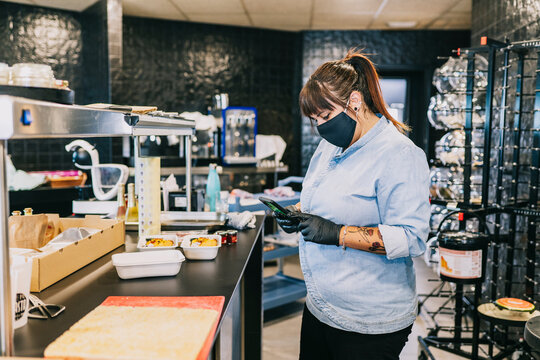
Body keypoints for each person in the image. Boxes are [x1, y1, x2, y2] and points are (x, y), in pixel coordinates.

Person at [275, 50, 431, 360]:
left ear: (355, 102)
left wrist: (336, 233)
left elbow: (412, 238)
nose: (320, 127)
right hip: (321, 307)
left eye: (325, 116)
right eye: (314, 119)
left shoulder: (399, 154)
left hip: (368, 321)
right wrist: (297, 214)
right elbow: (324, 198)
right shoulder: (328, 146)